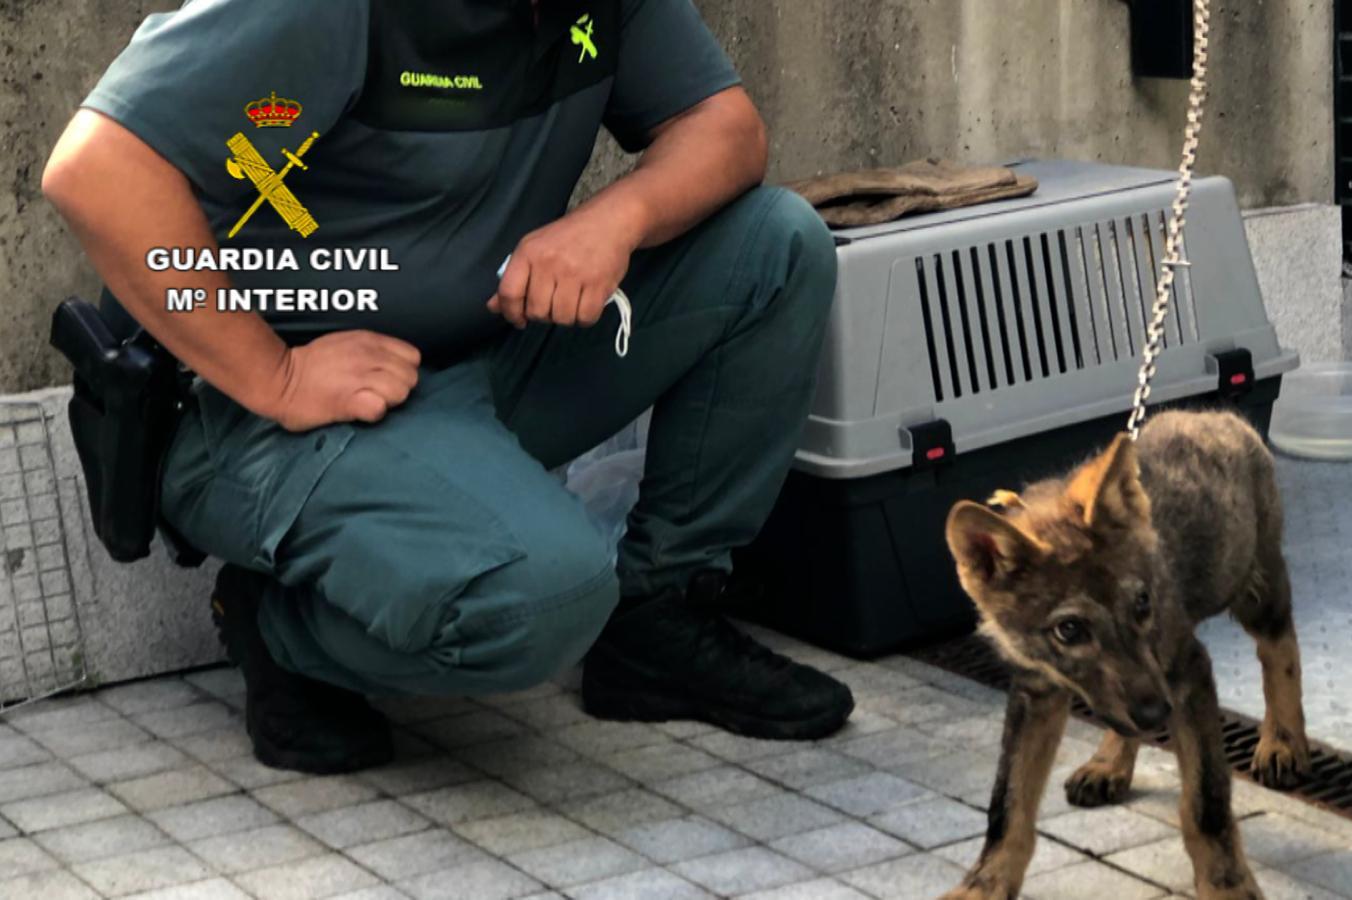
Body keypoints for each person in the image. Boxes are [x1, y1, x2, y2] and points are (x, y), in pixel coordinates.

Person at [41, 0, 853, 774]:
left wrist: (617, 217)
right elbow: (94, 170)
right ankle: (280, 630)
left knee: (776, 247)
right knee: (544, 598)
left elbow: (728, 130)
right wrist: (276, 374)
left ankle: (655, 617)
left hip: (479, 357)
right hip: (255, 411)